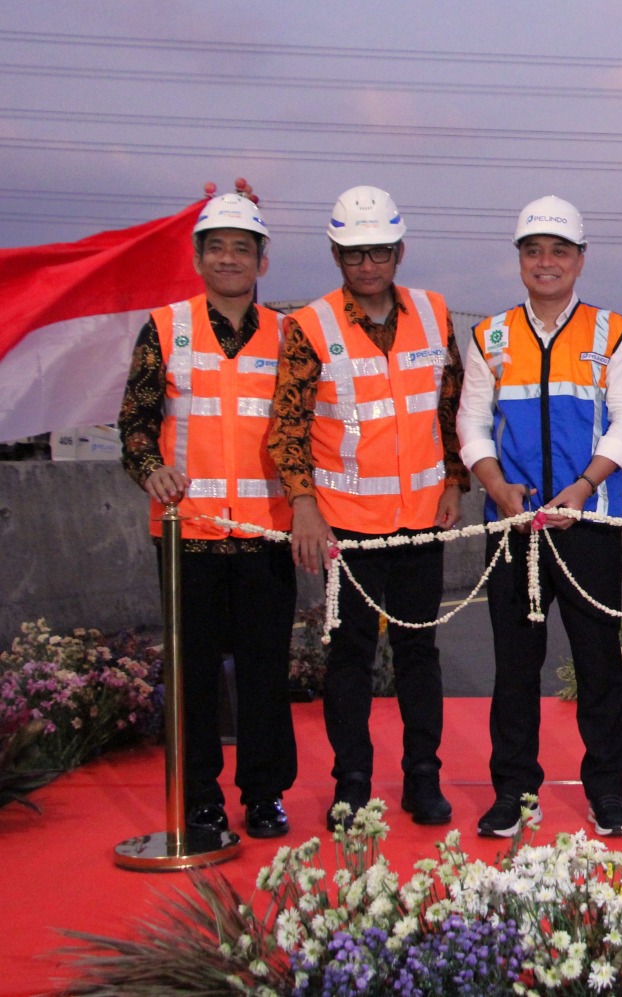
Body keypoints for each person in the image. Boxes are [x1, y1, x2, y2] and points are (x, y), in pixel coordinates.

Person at [267, 185, 469, 831]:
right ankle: (351, 782)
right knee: (349, 656)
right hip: (346, 524)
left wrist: (455, 481)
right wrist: (303, 504)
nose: (367, 265)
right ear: (335, 255)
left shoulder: (435, 314)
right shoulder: (309, 326)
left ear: (399, 250)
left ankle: (422, 778)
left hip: (419, 522)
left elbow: (451, 407)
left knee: (419, 653)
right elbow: (288, 426)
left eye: (379, 251)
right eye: (354, 254)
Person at [457, 196, 622, 838]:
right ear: (519, 261)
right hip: (512, 527)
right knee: (514, 666)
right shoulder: (490, 335)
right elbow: (471, 424)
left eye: (559, 251)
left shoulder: (613, 333)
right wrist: (495, 485)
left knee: (599, 663)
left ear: (580, 260)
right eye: (534, 251)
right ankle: (513, 790)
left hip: (588, 526)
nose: (546, 263)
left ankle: (608, 793)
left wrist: (583, 487)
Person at [117, 182, 297, 840]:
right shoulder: (163, 329)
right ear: (198, 258)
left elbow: (305, 430)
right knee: (192, 679)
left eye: (242, 248)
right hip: (186, 534)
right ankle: (199, 798)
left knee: (264, 673)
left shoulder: (288, 334)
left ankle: (264, 794)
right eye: (216, 247)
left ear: (262, 260)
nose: (229, 258)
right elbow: (134, 424)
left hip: (264, 535)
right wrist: (150, 470)